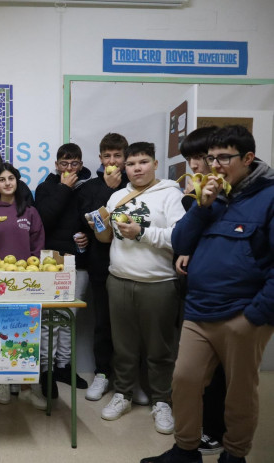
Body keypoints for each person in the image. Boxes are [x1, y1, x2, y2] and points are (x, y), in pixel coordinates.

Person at [142, 126, 274, 463]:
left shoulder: (268, 197)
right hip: (199, 311)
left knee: (239, 393)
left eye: (223, 158)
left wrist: (256, 315)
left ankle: (234, 454)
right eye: (210, 158)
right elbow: (181, 243)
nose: (214, 166)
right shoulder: (210, 197)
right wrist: (201, 207)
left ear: (247, 158)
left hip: (243, 314)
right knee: (184, 381)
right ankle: (185, 450)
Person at [94, 142, 185, 435]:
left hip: (158, 283)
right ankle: (123, 394)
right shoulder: (117, 196)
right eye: (131, 164)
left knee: (160, 348)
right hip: (118, 280)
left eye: (143, 162)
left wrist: (142, 232)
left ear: (155, 164)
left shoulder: (170, 194)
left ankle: (162, 401)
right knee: (123, 346)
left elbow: (180, 238)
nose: (137, 168)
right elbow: (108, 239)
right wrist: (99, 226)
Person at [0, 162, 47, 409]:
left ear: (17, 181)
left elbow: (38, 246)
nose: (7, 183)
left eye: (11, 178)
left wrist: (35, 273)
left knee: (27, 330)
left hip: (26, 280)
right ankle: (2, 381)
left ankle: (28, 386)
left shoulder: (30, 212)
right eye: (2, 179)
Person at [175, 126, 225, 456]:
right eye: (190, 158)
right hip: (198, 289)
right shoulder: (193, 191)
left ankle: (218, 433)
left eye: (201, 157)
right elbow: (182, 239)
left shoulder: (243, 193)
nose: (195, 165)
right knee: (193, 372)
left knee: (224, 373)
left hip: (232, 295)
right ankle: (196, 435)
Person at [34, 143, 91, 398]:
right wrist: (64, 189)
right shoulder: (45, 188)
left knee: (70, 318)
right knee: (49, 321)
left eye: (74, 163)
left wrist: (86, 237)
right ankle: (45, 371)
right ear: (56, 165)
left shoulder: (89, 187)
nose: (69, 168)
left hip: (79, 261)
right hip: (50, 261)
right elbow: (44, 220)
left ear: (81, 164)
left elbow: (93, 220)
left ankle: (64, 367)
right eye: (65, 164)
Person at [76, 132, 130, 402]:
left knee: (131, 326)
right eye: (107, 156)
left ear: (125, 157)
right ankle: (102, 373)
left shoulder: (138, 184)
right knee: (103, 323)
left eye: (117, 156)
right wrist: (109, 189)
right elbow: (89, 221)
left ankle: (128, 378)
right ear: (100, 158)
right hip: (102, 264)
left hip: (134, 266)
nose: (112, 161)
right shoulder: (91, 187)